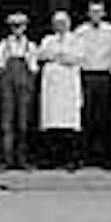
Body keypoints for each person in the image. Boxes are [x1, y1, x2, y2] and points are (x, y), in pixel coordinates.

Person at [36, 10, 84, 171]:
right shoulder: (47, 39)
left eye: (63, 23)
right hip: (52, 88)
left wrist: (57, 56)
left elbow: (76, 58)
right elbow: (41, 55)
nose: (60, 26)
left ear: (69, 24)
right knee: (51, 123)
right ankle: (50, 159)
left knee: (70, 124)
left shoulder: (76, 39)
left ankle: (71, 160)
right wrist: (60, 56)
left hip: (69, 87)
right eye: (57, 23)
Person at [73, 0, 111, 166]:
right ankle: (84, 155)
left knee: (104, 116)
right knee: (86, 115)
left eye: (99, 12)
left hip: (105, 76)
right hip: (86, 75)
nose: (96, 15)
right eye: (92, 12)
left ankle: (103, 156)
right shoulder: (80, 31)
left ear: (104, 13)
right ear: (88, 14)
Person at [0, 11, 38, 170]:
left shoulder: (31, 46)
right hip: (8, 86)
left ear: (25, 27)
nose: (17, 29)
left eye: (20, 26)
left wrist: (28, 85)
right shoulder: (3, 45)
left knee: (23, 122)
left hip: (24, 86)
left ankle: (22, 158)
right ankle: (7, 159)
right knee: (7, 122)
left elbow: (33, 70)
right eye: (14, 26)